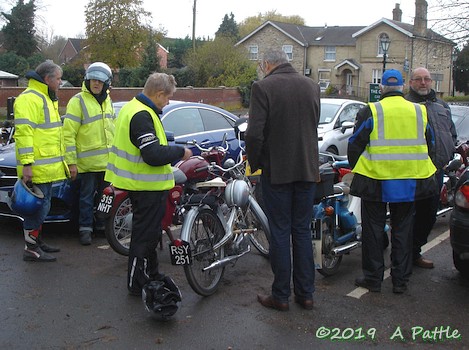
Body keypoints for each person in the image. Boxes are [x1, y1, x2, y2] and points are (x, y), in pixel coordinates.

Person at [348, 69, 438, 294]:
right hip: (409, 181)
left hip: (376, 180)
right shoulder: (419, 111)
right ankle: (400, 281)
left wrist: (358, 169)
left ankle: (373, 278)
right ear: (402, 87)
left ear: (382, 89)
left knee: (373, 230)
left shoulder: (372, 110)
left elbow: (355, 144)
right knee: (403, 230)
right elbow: (431, 144)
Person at [245, 49, 320, 311]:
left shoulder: (263, 87)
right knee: (301, 230)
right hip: (308, 170)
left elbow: (254, 134)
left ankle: (280, 295)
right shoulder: (312, 85)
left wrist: (254, 164)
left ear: (267, 64)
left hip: (277, 171)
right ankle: (306, 294)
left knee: (280, 231)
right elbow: (312, 125)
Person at [104, 73, 192, 296]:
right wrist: (180, 152)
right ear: (159, 94)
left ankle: (151, 274)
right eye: (168, 97)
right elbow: (152, 154)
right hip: (146, 187)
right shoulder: (142, 115)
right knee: (144, 238)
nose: (168, 102)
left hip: (138, 183)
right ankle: (136, 281)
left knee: (150, 234)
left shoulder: (132, 107)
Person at [13, 60, 70, 262]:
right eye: (59, 78)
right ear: (47, 79)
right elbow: (24, 135)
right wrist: (27, 165)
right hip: (37, 166)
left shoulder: (45, 97)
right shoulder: (30, 99)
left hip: (46, 165)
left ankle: (37, 241)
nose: (61, 82)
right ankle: (31, 248)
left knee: (42, 206)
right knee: (37, 207)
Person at [405, 67, 457, 269]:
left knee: (428, 215)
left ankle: (415, 250)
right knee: (408, 215)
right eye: (418, 79)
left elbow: (450, 132)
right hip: (412, 170)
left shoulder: (441, 106)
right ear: (411, 83)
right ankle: (404, 257)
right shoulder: (406, 105)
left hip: (436, 170)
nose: (423, 83)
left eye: (426, 79)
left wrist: (449, 151)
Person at [63, 62, 115, 245]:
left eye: (100, 81)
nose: (96, 84)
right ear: (87, 80)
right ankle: (85, 229)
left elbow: (112, 131)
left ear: (106, 83)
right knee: (85, 199)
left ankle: (102, 226)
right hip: (86, 165)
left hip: (106, 163)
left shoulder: (108, 101)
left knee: (105, 198)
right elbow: (68, 135)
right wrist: (71, 163)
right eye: (93, 80)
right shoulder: (77, 101)